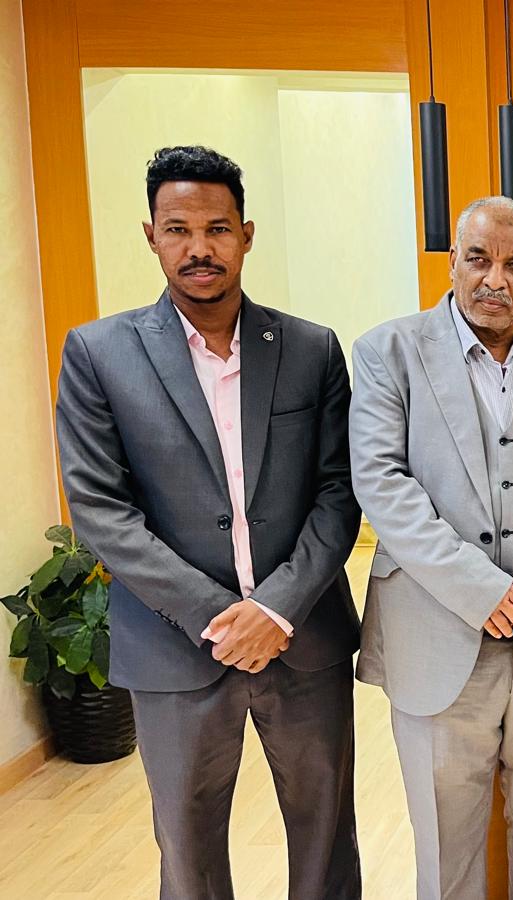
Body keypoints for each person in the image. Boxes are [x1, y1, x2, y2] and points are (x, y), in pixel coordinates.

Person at [55, 145, 361, 899]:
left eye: (217, 229)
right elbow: (100, 509)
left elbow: (339, 492)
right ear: (151, 237)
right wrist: (219, 617)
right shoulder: (99, 353)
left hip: (303, 639)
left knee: (326, 841)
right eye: (178, 229)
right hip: (174, 648)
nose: (199, 248)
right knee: (187, 852)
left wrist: (276, 609)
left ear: (246, 235)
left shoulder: (311, 349)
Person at [349, 196, 513, 900]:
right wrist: (484, 590)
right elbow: (381, 483)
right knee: (446, 850)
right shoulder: (388, 353)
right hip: (435, 637)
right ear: (453, 263)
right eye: (479, 259)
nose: (495, 279)